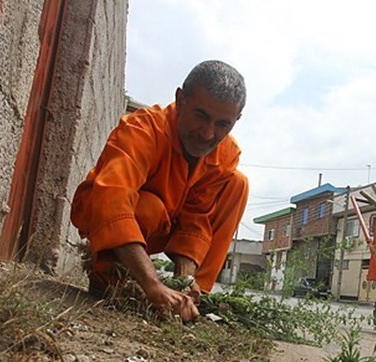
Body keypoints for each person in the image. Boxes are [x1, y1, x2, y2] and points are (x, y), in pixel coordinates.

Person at [70, 60, 248, 322]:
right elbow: (111, 201)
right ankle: (108, 278)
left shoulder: (225, 154)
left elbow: (196, 220)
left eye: (223, 124)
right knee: (148, 208)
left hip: (167, 228)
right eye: (201, 116)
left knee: (238, 185)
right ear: (181, 99)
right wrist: (152, 284)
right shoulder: (142, 130)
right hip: (121, 221)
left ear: (236, 120)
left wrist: (186, 278)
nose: (208, 134)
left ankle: (191, 299)